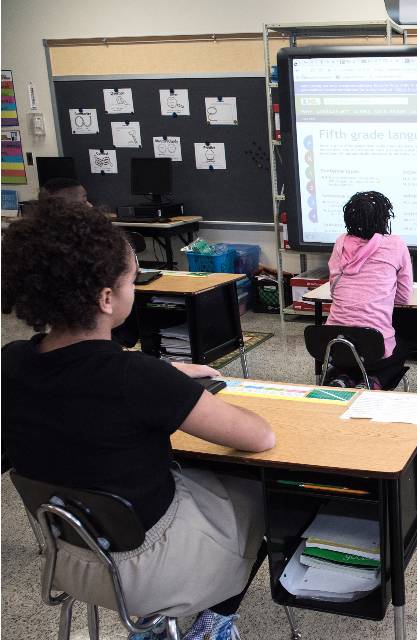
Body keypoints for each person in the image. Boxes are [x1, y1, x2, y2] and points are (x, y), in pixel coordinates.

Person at [1, 202, 276, 640]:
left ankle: (156, 628)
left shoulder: (11, 364)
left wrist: (164, 375)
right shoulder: (136, 380)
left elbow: (86, 380)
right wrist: (165, 379)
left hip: (69, 557)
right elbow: (259, 436)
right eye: (132, 280)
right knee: (264, 493)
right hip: (145, 569)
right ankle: (215, 622)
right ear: (107, 298)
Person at [323, 191, 413, 390]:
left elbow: (334, 290)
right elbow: (405, 297)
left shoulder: (340, 242)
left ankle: (344, 378)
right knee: (400, 347)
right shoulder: (396, 244)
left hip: (335, 346)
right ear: (384, 218)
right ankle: (373, 382)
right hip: (374, 346)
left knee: (356, 348)